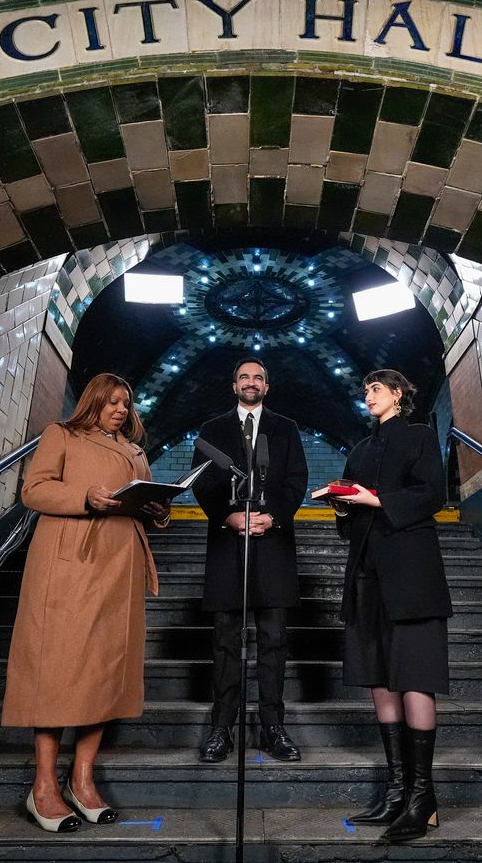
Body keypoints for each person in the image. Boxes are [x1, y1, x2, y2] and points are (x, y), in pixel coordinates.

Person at [2, 373, 171, 832]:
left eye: (126, 402)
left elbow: (144, 499)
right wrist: (84, 496)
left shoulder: (135, 451)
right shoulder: (63, 434)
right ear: (94, 401)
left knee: (103, 671)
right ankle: (43, 788)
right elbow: (33, 489)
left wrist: (157, 508)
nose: (121, 408)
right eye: (113, 401)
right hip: (70, 566)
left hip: (120, 569)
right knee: (58, 670)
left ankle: (82, 780)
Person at [329, 369, 453, 843]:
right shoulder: (359, 450)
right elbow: (352, 519)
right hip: (366, 574)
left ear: (398, 393)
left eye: (375, 389)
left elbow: (431, 495)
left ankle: (423, 796)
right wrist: (344, 505)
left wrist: (375, 499)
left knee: (415, 674)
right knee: (379, 677)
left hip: (412, 575)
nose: (368, 395)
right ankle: (397, 790)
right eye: (365, 390)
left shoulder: (419, 435)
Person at [190, 357, 309, 763]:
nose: (251, 382)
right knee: (225, 641)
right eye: (244, 376)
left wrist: (271, 516)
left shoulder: (287, 428)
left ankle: (274, 728)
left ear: (267, 386)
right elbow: (202, 481)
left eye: (258, 377)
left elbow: (297, 480)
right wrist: (228, 515)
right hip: (227, 544)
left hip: (273, 545)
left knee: (274, 642)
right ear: (234, 384)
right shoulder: (212, 430)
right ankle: (221, 729)